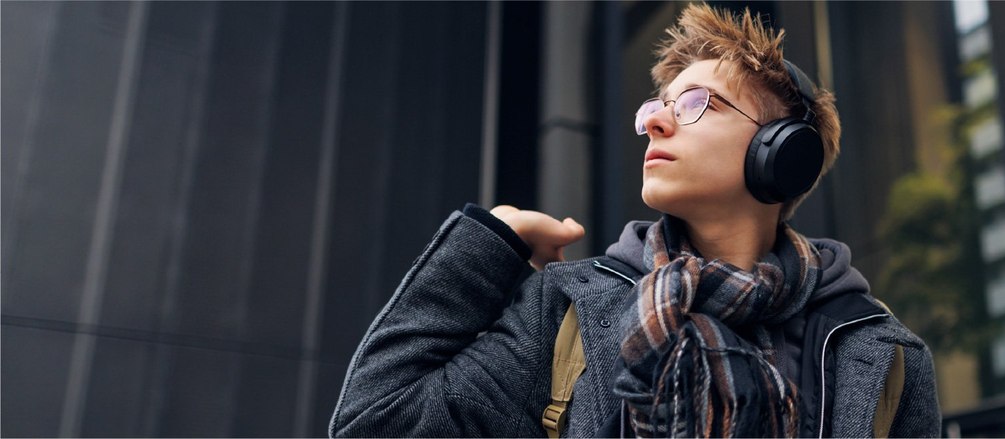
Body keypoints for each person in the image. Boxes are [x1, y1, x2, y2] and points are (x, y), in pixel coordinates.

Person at [329, 3, 940, 437]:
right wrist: (490, 245)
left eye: (699, 103)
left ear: (784, 152)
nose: (655, 120)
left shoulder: (879, 352)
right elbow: (374, 424)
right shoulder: (568, 311)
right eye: (658, 104)